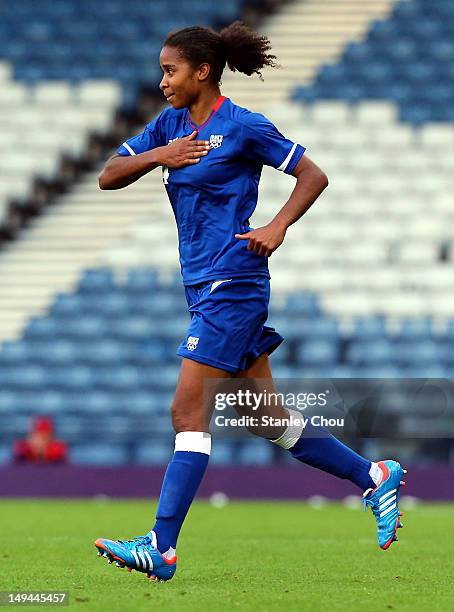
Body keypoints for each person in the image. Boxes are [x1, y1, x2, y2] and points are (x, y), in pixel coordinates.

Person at [94, 22, 406, 581]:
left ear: (202, 71)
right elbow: (108, 176)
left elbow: (313, 174)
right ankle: (374, 477)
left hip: (233, 281)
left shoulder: (243, 126)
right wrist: (160, 153)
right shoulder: (169, 126)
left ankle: (161, 546)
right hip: (202, 285)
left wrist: (278, 224)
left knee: (188, 412)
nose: (162, 80)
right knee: (268, 418)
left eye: (170, 70)